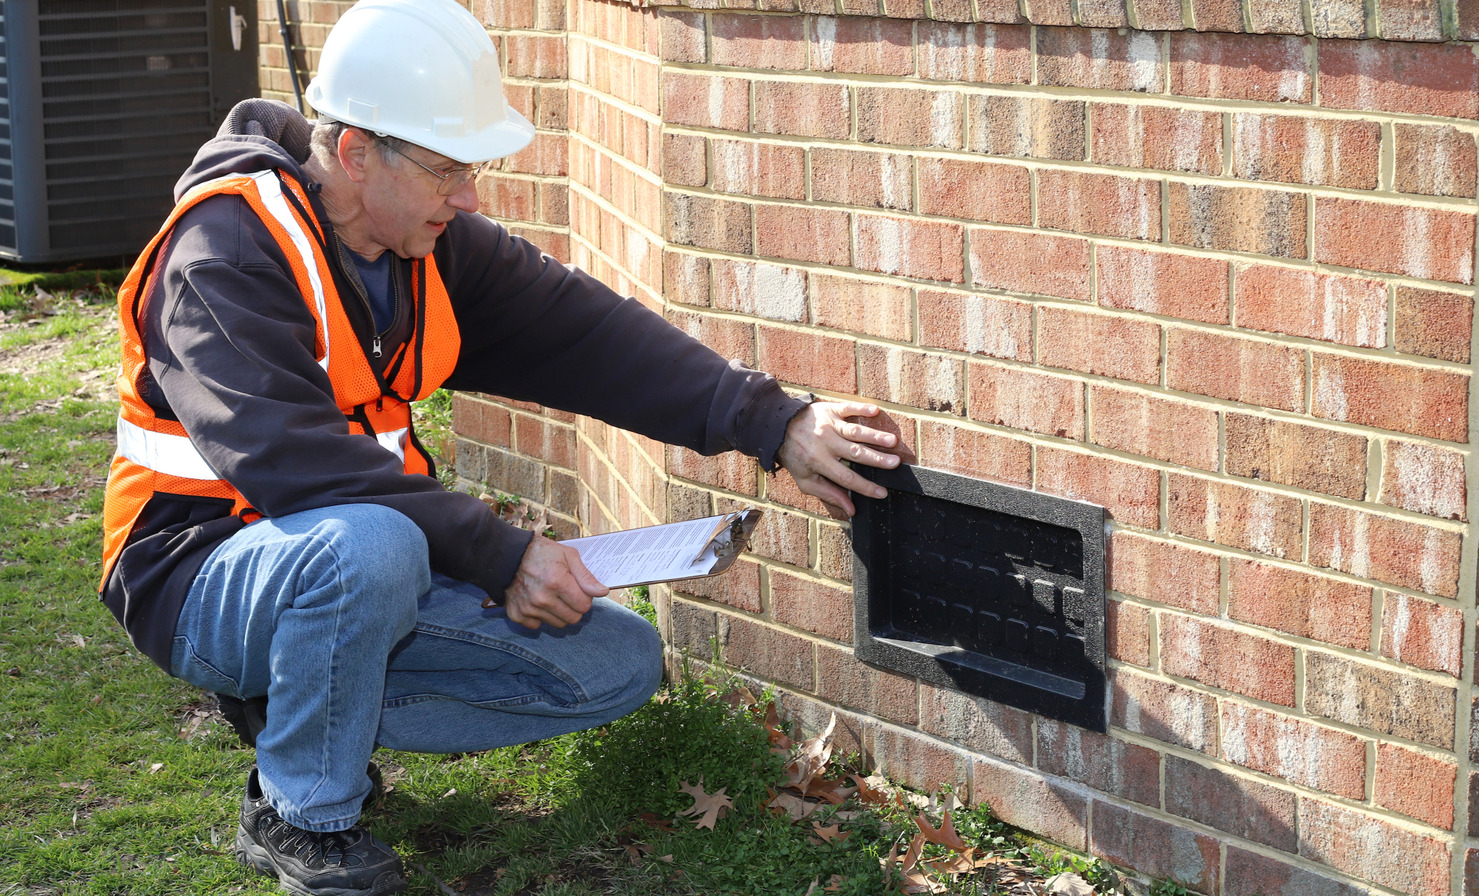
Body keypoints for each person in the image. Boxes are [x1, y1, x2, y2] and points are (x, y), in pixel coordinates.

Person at [97, 1, 908, 893]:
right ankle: (303, 817)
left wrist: (777, 424)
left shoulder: (419, 241)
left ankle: (300, 704)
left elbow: (583, 333)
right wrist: (499, 553)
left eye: (471, 169)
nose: (469, 196)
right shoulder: (222, 253)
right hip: (194, 573)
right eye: (449, 170)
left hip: (357, 567)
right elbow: (296, 467)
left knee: (618, 663)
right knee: (371, 543)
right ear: (359, 152)